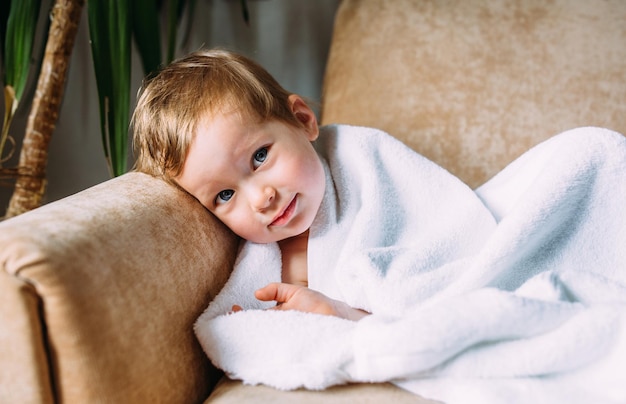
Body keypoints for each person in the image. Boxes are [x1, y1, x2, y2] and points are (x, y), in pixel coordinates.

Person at [132, 48, 373, 320]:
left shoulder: (369, 174)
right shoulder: (255, 268)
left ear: (302, 120)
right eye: (225, 194)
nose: (261, 199)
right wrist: (255, 331)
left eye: (260, 157)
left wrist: (343, 315)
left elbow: (421, 308)